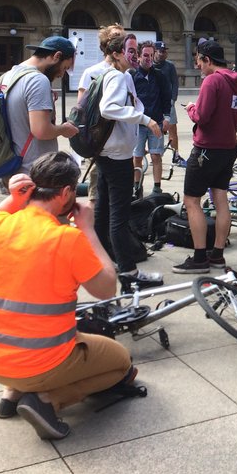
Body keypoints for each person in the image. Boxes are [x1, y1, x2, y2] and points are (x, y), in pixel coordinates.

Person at [0, 151, 135, 440]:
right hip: (42, 362)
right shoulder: (66, 238)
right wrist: (88, 229)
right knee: (121, 363)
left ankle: (12, 393)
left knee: (63, 338)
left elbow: (2, 208)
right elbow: (107, 289)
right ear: (66, 193)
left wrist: (15, 196)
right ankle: (46, 400)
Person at [92, 27, 163, 288]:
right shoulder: (117, 78)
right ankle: (130, 274)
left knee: (102, 212)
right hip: (117, 156)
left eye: (135, 51)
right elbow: (108, 109)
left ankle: (102, 261)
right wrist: (145, 119)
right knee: (118, 218)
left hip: (107, 152)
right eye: (130, 51)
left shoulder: (113, 75)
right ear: (116, 53)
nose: (134, 56)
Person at [172, 39, 237, 274]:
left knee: (192, 201)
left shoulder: (212, 81)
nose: (197, 65)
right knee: (221, 199)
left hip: (206, 150)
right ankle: (217, 255)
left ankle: (199, 258)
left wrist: (191, 109)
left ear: (207, 59)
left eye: (198, 60)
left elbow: (202, 117)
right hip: (228, 149)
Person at [0, 36, 79, 173]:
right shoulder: (38, 80)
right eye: (64, 68)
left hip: (11, 166)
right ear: (56, 56)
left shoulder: (8, 75)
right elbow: (41, 131)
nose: (61, 74)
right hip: (33, 169)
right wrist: (64, 129)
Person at [130, 40, 172, 197]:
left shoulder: (159, 76)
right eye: (145, 55)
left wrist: (167, 117)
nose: (148, 58)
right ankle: (136, 187)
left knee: (156, 156)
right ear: (139, 56)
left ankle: (157, 188)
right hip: (138, 124)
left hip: (156, 123)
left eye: (151, 55)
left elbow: (166, 98)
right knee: (137, 156)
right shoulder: (132, 76)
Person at [77, 25, 123, 104]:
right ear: (106, 42)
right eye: (115, 38)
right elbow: (81, 105)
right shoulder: (91, 72)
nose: (121, 43)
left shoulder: (128, 74)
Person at [153, 41, 181, 156]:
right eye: (161, 51)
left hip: (168, 102)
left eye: (165, 51)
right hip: (155, 102)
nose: (163, 54)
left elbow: (175, 83)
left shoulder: (170, 66)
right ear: (155, 52)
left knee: (172, 129)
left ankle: (176, 154)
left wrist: (173, 99)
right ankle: (156, 153)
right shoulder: (150, 66)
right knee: (155, 129)